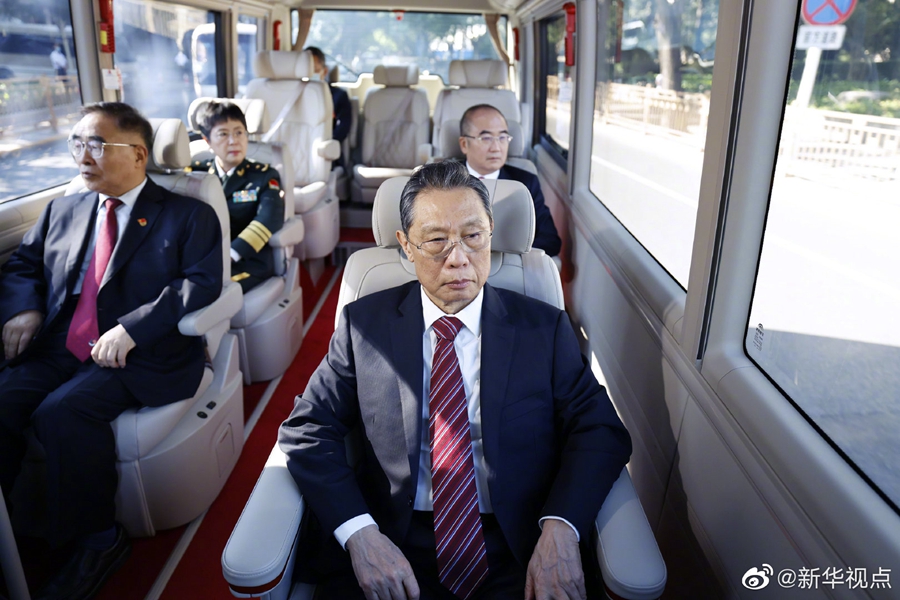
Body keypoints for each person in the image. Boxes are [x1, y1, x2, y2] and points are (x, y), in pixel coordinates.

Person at [279, 161, 631, 599]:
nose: (459, 258)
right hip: (392, 541)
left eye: (473, 236)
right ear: (406, 245)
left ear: (491, 233)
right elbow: (308, 429)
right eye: (436, 241)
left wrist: (561, 527)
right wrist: (360, 534)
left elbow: (600, 430)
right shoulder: (364, 327)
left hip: (518, 545)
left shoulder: (544, 329)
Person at [0, 102, 222, 599]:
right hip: (60, 344)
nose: (82, 156)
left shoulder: (189, 213)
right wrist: (24, 310)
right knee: (4, 400)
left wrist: (134, 328)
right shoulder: (63, 208)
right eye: (76, 143)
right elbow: (24, 266)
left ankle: (100, 539)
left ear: (139, 154)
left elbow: (201, 283)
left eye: (96, 145)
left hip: (143, 351)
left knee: (63, 412)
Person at [191, 101, 285, 293]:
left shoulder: (264, 175)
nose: (233, 141)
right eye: (223, 134)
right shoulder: (195, 175)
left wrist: (231, 254)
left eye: (239, 132)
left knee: (204, 291)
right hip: (201, 260)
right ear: (207, 141)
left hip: (246, 261)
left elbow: (269, 218)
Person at [458, 104, 562, 257]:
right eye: (486, 138)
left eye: (502, 137)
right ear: (464, 144)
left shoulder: (524, 183)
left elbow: (550, 240)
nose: (496, 148)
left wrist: (503, 254)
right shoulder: (443, 181)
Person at [305, 46, 352, 151]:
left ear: (325, 71)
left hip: (326, 149)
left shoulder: (339, 96)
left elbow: (343, 128)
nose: (310, 75)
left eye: (315, 70)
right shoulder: (294, 96)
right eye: (307, 71)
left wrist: (324, 145)